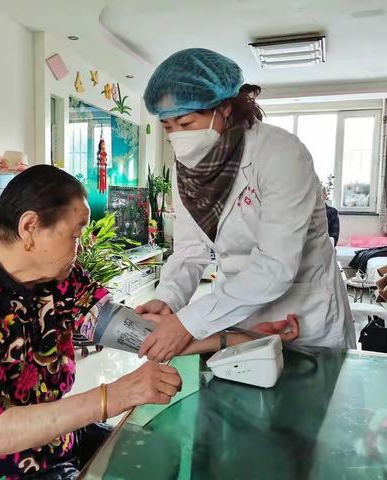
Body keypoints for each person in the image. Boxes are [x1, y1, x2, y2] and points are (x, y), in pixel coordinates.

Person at [0, 165, 298, 479]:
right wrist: (116, 395)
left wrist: (236, 339)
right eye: (75, 233)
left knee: (165, 453)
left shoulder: (56, 277)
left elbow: (141, 336)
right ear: (29, 227)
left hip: (53, 445)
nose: (81, 246)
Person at [136, 48, 355, 363]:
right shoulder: (187, 168)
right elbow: (190, 249)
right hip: (235, 311)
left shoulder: (280, 153)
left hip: (304, 311)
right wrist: (168, 299)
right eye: (168, 127)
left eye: (185, 123)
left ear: (223, 109)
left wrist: (189, 322)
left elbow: (276, 265)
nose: (178, 138)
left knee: (308, 405)